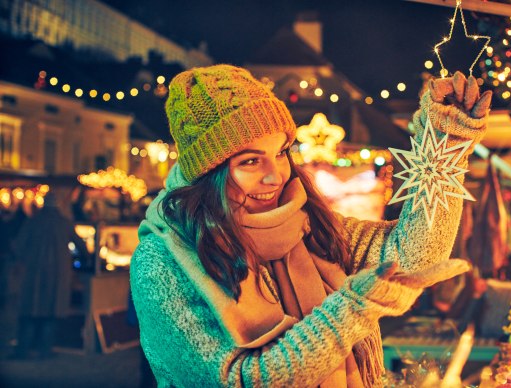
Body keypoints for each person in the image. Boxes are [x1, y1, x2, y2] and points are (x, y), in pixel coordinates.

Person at [130, 64, 492, 386]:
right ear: (210, 170)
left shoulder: (307, 226)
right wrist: (353, 309)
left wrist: (445, 144)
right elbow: (237, 380)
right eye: (251, 161)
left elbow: (413, 256)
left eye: (282, 152)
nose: (275, 175)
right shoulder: (161, 261)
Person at [11, 192, 88, 359]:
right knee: (51, 314)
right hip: (57, 277)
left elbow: (18, 246)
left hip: (33, 275)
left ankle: (22, 351)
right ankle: (44, 352)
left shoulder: (33, 221)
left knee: (30, 312)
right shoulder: (64, 223)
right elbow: (81, 247)